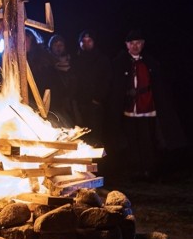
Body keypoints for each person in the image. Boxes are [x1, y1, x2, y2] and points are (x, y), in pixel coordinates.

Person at [107, 29, 186, 181]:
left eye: (138, 43)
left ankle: (148, 169)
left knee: (147, 139)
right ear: (127, 45)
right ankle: (134, 169)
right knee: (131, 140)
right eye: (132, 43)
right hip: (128, 108)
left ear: (142, 44)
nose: (135, 46)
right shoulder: (119, 62)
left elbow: (159, 85)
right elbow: (114, 85)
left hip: (147, 106)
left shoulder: (150, 62)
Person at [71, 30, 111, 145]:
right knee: (80, 138)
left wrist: (97, 99)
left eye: (89, 41)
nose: (86, 43)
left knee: (95, 137)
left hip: (94, 105)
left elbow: (106, 80)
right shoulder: (75, 60)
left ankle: (96, 162)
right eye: (83, 41)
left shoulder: (101, 59)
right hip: (78, 106)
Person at [47, 34, 78, 127]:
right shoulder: (46, 62)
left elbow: (74, 80)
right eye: (55, 45)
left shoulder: (71, 62)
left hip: (68, 100)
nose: (58, 48)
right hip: (52, 101)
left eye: (61, 45)